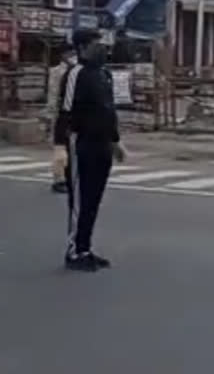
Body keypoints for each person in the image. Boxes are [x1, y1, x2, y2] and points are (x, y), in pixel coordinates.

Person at [53, 30, 127, 272]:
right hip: (80, 143)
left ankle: (85, 248)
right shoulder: (76, 74)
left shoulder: (104, 74)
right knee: (80, 201)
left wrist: (116, 142)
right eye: (97, 44)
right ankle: (74, 252)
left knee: (94, 200)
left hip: (102, 144)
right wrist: (59, 146)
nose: (102, 48)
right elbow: (64, 112)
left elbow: (109, 111)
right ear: (83, 47)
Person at [46, 46, 77, 193]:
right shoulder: (56, 71)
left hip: (73, 114)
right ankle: (58, 179)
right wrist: (51, 114)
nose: (73, 56)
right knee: (60, 148)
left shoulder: (77, 70)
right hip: (60, 113)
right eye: (70, 53)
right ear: (63, 55)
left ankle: (68, 177)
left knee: (71, 149)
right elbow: (53, 94)